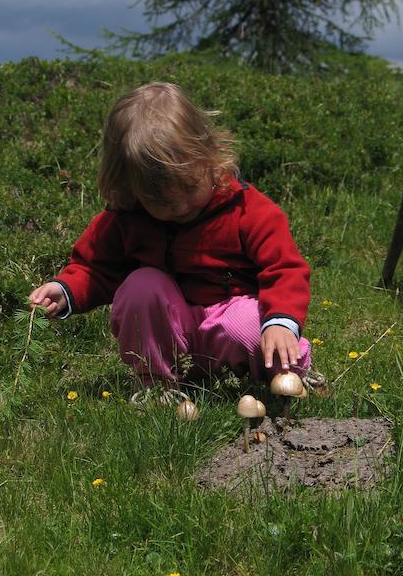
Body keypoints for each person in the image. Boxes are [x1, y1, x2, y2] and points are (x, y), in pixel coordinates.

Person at [29, 82, 318, 401]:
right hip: (168, 331)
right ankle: (157, 387)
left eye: (190, 188)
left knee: (248, 323)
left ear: (207, 156)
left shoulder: (247, 210)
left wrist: (280, 322)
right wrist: (67, 289)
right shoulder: (127, 218)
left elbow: (284, 268)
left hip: (227, 324)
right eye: (160, 201)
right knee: (141, 286)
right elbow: (95, 267)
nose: (180, 207)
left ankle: (290, 372)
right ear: (131, 188)